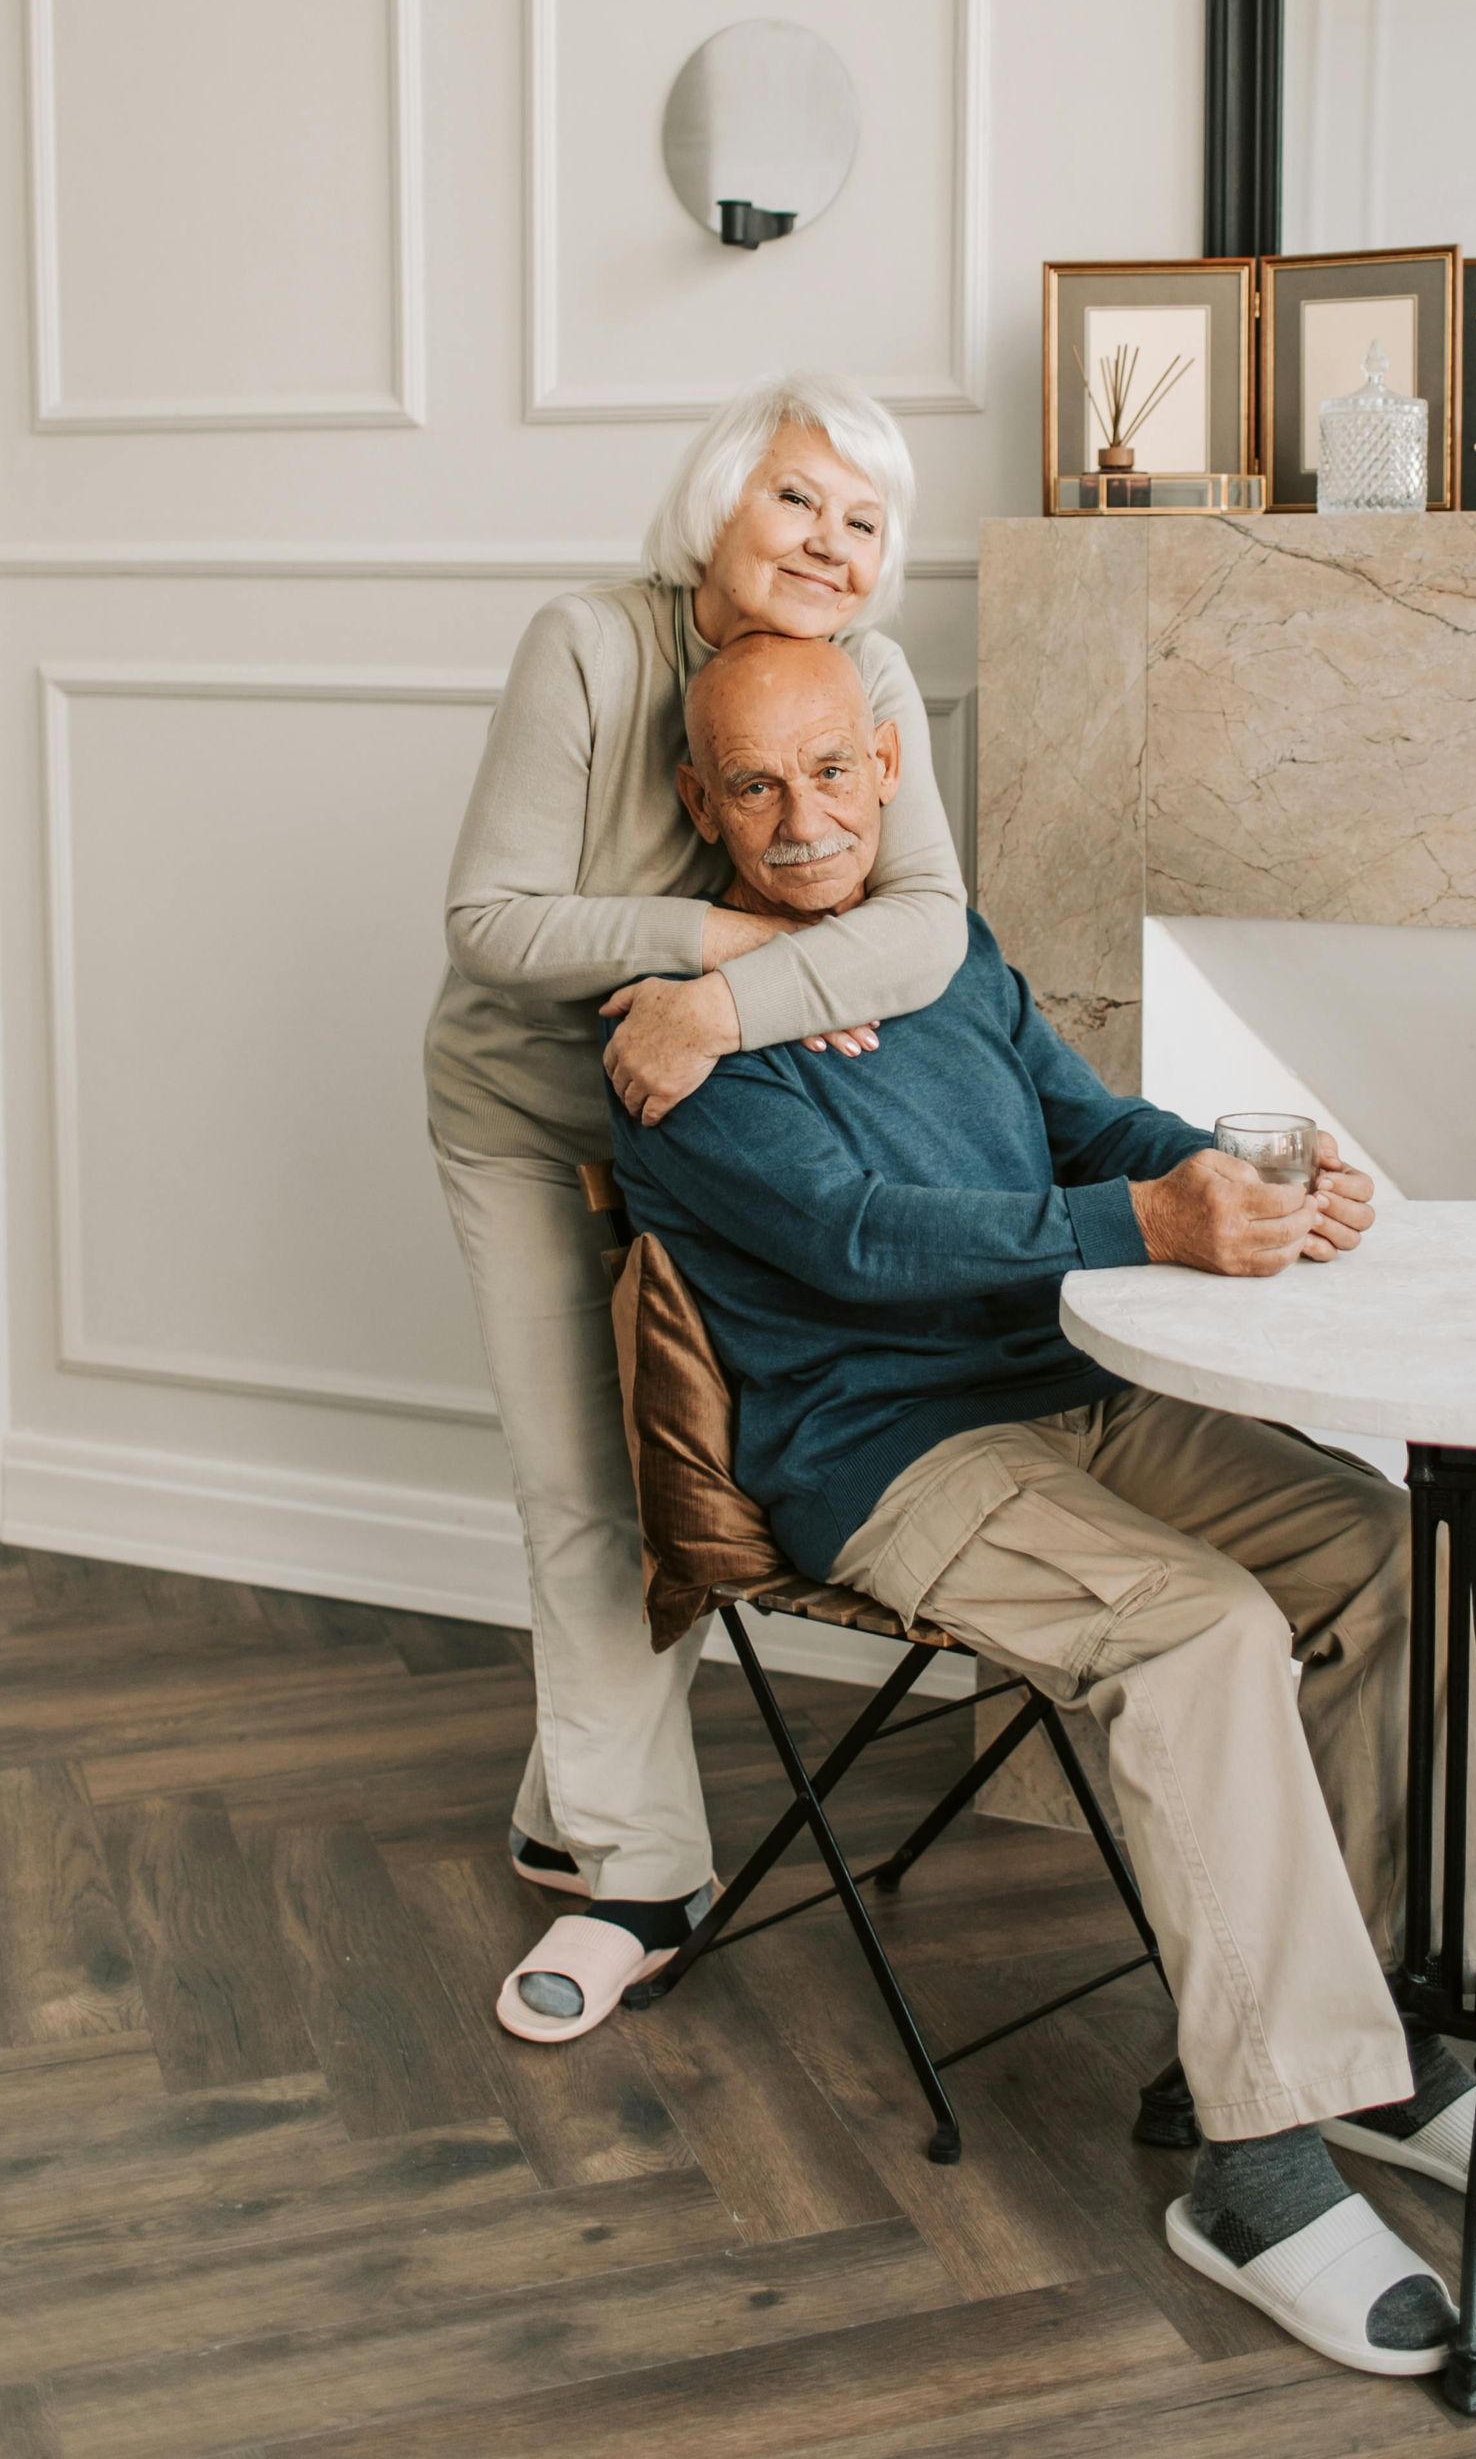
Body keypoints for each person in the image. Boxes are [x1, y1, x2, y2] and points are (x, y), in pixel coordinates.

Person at [603, 630, 1476, 2384]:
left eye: (830, 770)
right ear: (698, 800)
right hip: (888, 1457)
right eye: (751, 784)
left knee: (1378, 1552)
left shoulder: (938, 947)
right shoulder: (669, 1041)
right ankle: (1256, 2167)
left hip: (1073, 1397)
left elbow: (1080, 1123)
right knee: (1203, 1629)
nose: (797, 818)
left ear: (888, 767)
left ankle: (1342, 2039)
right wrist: (1150, 1233)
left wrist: (1222, 1173)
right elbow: (863, 1237)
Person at [423, 374, 967, 2035]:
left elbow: (930, 924)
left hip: (720, 1127)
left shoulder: (868, 678)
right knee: (585, 1481)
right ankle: (639, 1878)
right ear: (716, 509)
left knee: (683, 1464)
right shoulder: (587, 646)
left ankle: (561, 1800)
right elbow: (494, 925)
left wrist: (726, 1017)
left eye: (865, 522)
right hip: (526, 1117)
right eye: (798, 500)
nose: (831, 543)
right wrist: (729, 947)